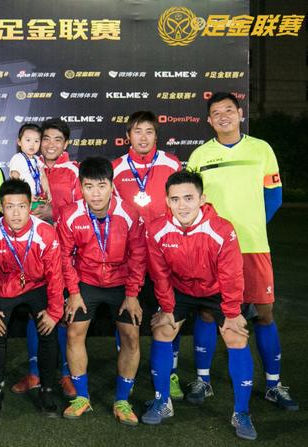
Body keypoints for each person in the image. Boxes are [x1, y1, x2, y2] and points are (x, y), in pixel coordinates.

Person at [187, 92, 297, 410]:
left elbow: (273, 196)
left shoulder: (261, 149)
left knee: (264, 313)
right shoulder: (199, 156)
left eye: (229, 110)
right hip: (211, 249)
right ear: (209, 121)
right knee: (207, 312)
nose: (223, 116)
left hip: (252, 246)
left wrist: (251, 226)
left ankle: (274, 385)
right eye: (216, 112)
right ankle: (203, 380)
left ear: (240, 114)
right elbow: (192, 203)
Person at [142, 170, 257, 441]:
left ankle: (241, 412)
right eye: (175, 199)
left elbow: (232, 274)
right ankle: (162, 402)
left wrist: (232, 313)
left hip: (216, 290)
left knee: (236, 335)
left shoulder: (222, 229)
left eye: (188, 198)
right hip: (181, 289)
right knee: (163, 330)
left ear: (201, 199)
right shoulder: (156, 229)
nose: (182, 205)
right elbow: (159, 274)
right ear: (167, 201)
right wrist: (167, 308)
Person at [57, 157, 146, 425]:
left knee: (131, 337)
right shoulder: (70, 215)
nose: (95, 193)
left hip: (122, 283)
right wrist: (74, 292)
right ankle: (82, 397)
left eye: (101, 186)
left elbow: (138, 255)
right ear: (80, 187)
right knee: (74, 332)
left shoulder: (129, 214)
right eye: (89, 186)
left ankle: (122, 400)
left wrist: (132, 294)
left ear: (111, 185)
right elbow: (64, 257)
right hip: (86, 281)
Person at [112, 111, 188, 401]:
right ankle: (125, 373)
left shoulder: (171, 163)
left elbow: (182, 207)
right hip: (128, 256)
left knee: (168, 316)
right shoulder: (116, 168)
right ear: (127, 136)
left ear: (157, 135)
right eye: (137, 131)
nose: (143, 137)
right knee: (126, 317)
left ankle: (171, 374)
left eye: (148, 131)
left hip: (164, 254)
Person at [0, 179, 64, 419]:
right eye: (9, 207)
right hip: (4, 288)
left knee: (49, 331)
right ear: (1, 207)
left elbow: (55, 275)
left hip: (37, 285)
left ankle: (47, 389)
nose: (16, 213)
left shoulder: (45, 232)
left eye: (21, 206)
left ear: (30, 207)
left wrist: (55, 312)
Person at [14, 118, 81, 399]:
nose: (50, 144)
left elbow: (83, 209)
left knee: (61, 313)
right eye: (46, 139)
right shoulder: (27, 164)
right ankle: (35, 372)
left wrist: (55, 212)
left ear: (66, 144)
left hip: (64, 252)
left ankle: (65, 373)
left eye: (57, 139)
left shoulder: (74, 171)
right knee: (36, 310)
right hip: (32, 251)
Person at [7, 123, 52, 208]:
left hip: (36, 198)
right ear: (19, 142)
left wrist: (47, 191)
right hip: (22, 198)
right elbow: (15, 179)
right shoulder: (18, 158)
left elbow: (43, 177)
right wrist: (26, 194)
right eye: (28, 140)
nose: (32, 144)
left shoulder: (38, 160)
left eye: (36, 141)